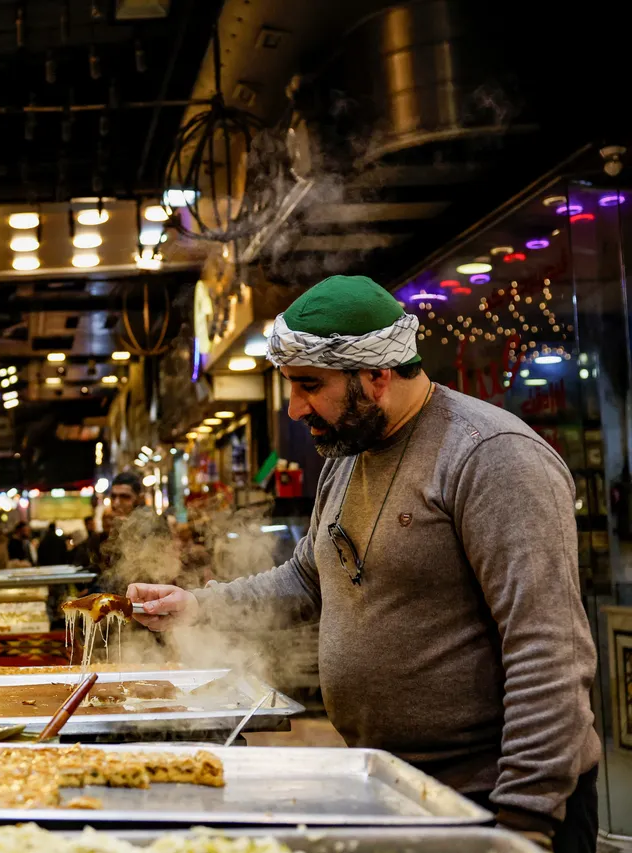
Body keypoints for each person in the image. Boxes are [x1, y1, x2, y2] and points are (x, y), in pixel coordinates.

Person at [129, 275, 600, 853]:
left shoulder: (491, 457)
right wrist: (198, 605)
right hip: (397, 785)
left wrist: (523, 820)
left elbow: (548, 649)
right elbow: (308, 577)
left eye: (309, 386)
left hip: (492, 797)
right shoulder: (348, 455)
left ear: (377, 376)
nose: (296, 408)